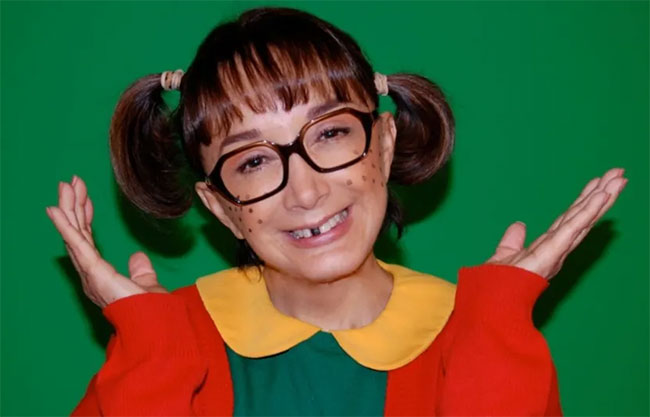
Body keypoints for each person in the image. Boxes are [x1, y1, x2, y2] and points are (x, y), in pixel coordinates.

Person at [45, 6, 627, 416]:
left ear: (386, 143)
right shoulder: (165, 345)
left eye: (329, 134)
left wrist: (495, 330)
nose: (304, 192)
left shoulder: (474, 336)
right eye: (252, 161)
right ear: (220, 207)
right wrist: (149, 353)